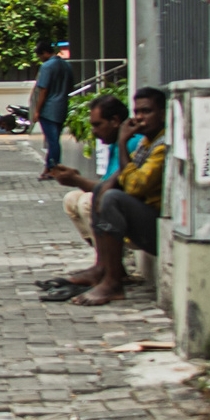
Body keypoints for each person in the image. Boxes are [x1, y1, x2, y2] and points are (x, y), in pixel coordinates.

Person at [60, 87, 169, 308]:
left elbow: (136, 186)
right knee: (103, 193)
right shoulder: (145, 143)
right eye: (137, 111)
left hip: (158, 226)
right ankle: (103, 268)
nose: (139, 117)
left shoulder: (161, 146)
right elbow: (119, 179)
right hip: (144, 218)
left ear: (164, 114)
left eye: (146, 111)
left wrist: (121, 142)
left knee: (111, 198)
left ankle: (113, 282)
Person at [44, 96, 137, 263]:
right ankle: (103, 260)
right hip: (119, 200)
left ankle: (111, 266)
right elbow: (108, 183)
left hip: (133, 207)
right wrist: (76, 177)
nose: (94, 131)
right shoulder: (116, 142)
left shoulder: (131, 142)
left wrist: (77, 180)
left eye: (97, 124)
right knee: (72, 199)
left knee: (87, 202)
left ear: (115, 121)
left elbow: (112, 188)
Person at [31, 38, 76, 177]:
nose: (40, 59)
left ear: (44, 52)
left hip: (49, 108)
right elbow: (70, 86)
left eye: (40, 56)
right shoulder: (66, 65)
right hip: (62, 106)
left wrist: (37, 110)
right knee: (54, 139)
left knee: (52, 141)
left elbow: (43, 90)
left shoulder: (47, 66)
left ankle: (53, 168)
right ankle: (49, 167)